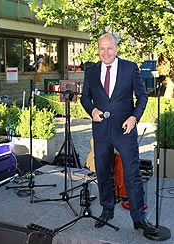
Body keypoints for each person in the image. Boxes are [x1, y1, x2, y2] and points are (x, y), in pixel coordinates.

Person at [80, 33, 158, 237]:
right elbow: (85, 98)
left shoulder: (130, 68)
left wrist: (134, 118)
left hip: (125, 130)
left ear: (116, 48)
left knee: (132, 174)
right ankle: (107, 210)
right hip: (101, 131)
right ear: (97, 49)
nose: (106, 52)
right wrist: (92, 111)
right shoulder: (91, 71)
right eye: (102, 48)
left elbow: (142, 96)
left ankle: (139, 218)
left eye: (110, 48)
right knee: (103, 173)